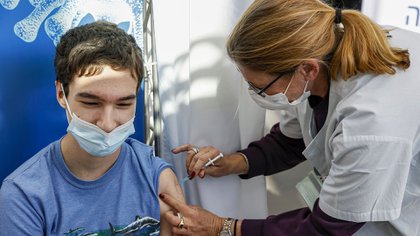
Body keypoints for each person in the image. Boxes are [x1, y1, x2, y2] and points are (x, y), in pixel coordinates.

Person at [159, 0, 420, 235]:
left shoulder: (370, 123)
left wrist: (221, 228)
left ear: (307, 69)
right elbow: (294, 140)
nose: (255, 94)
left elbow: (324, 229)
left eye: (259, 87)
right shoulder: (327, 53)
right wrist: (234, 163)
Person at [0, 21, 184, 235]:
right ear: (61, 93)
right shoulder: (24, 195)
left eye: (124, 104)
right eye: (91, 102)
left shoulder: (155, 176)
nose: (107, 124)